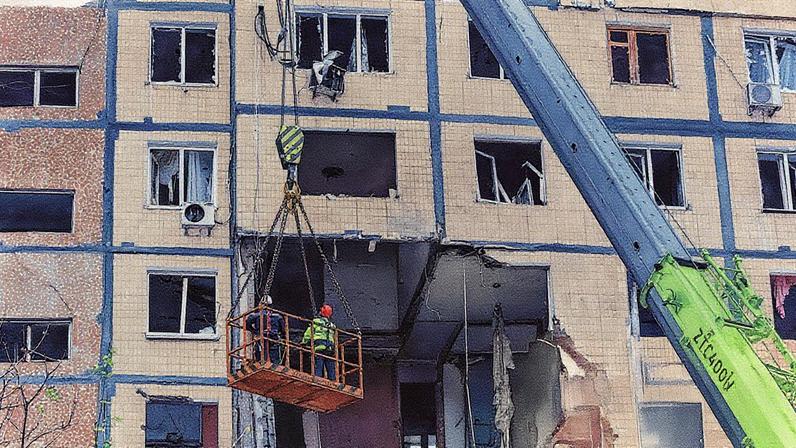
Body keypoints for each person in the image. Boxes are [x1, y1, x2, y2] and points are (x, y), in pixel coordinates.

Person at [245, 295, 285, 365]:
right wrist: (283, 337)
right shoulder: (278, 317)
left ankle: (260, 363)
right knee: (274, 359)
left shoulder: (256, 316)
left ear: (261, 305)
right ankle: (274, 366)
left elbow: (247, 323)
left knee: (260, 355)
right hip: (273, 338)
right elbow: (283, 330)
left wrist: (254, 331)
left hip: (261, 338)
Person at [301, 304, 337, 381]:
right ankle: (333, 381)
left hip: (319, 347)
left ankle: (318, 380)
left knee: (318, 365)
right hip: (330, 349)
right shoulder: (332, 325)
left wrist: (304, 342)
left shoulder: (316, 321)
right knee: (330, 366)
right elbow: (333, 337)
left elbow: (309, 333)